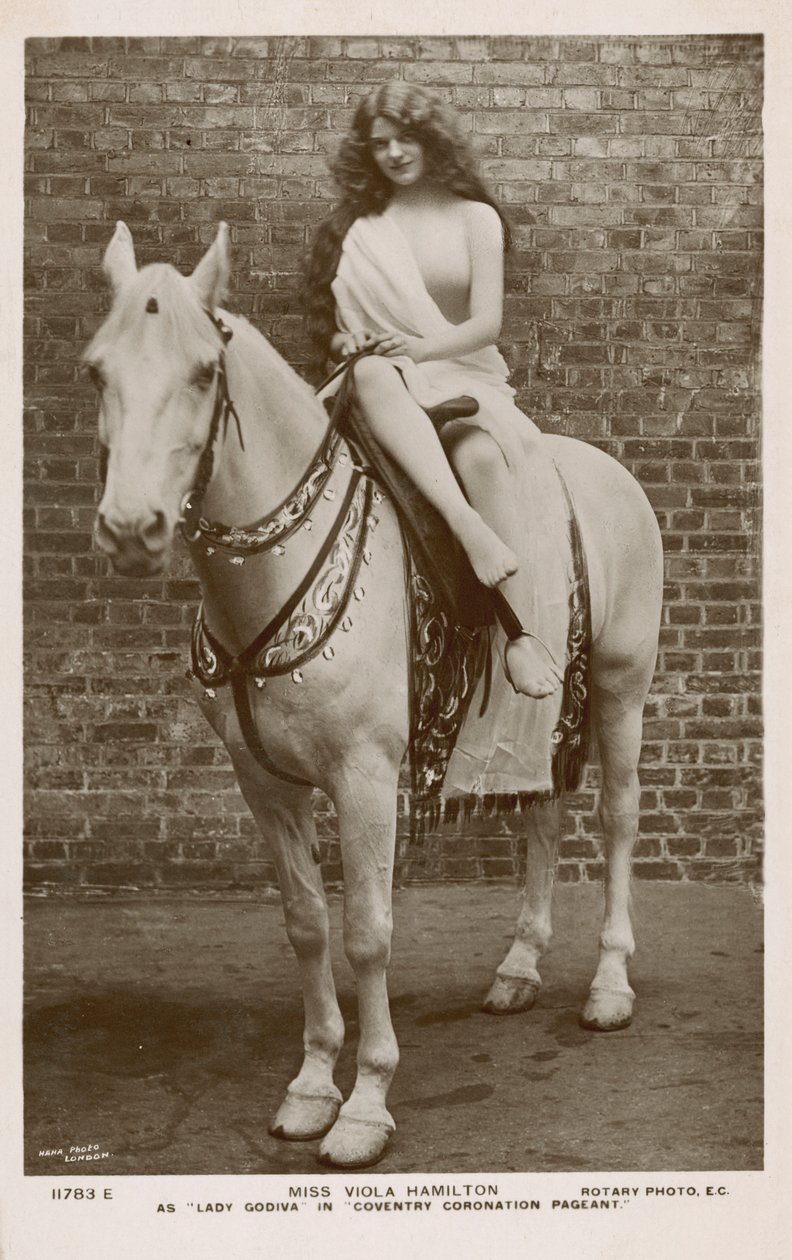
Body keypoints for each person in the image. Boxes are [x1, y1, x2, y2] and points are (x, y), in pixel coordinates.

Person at [303, 82, 562, 701]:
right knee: (369, 373)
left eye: (406, 139)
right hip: (381, 385)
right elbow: (325, 328)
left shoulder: (475, 218)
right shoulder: (355, 228)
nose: (394, 153)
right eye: (380, 144)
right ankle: (466, 528)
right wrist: (349, 341)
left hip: (459, 374)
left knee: (481, 457)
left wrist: (419, 350)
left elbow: (487, 324)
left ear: (432, 138)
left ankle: (516, 634)